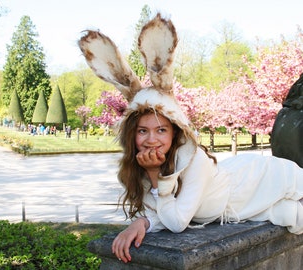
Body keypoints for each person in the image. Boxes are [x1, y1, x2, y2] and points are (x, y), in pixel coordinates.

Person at [78, 13, 303, 264]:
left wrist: (155, 175)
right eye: (143, 131)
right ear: (133, 135)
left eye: (161, 130)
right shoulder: (140, 164)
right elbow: (165, 210)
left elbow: (177, 222)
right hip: (241, 206)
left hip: (258, 178)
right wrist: (142, 221)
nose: (151, 139)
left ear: (175, 133)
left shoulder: (194, 160)